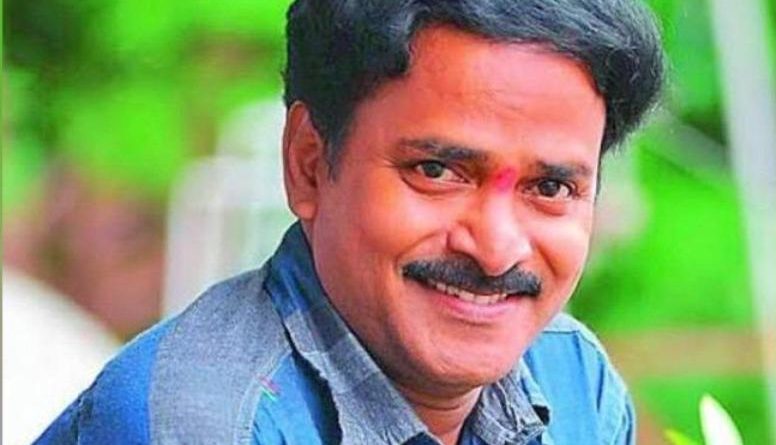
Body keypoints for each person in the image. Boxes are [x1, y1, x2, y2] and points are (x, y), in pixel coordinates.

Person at [36, 0, 664, 444]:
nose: (496, 248)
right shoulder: (205, 422)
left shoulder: (573, 380)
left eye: (551, 188)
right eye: (437, 171)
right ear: (308, 164)